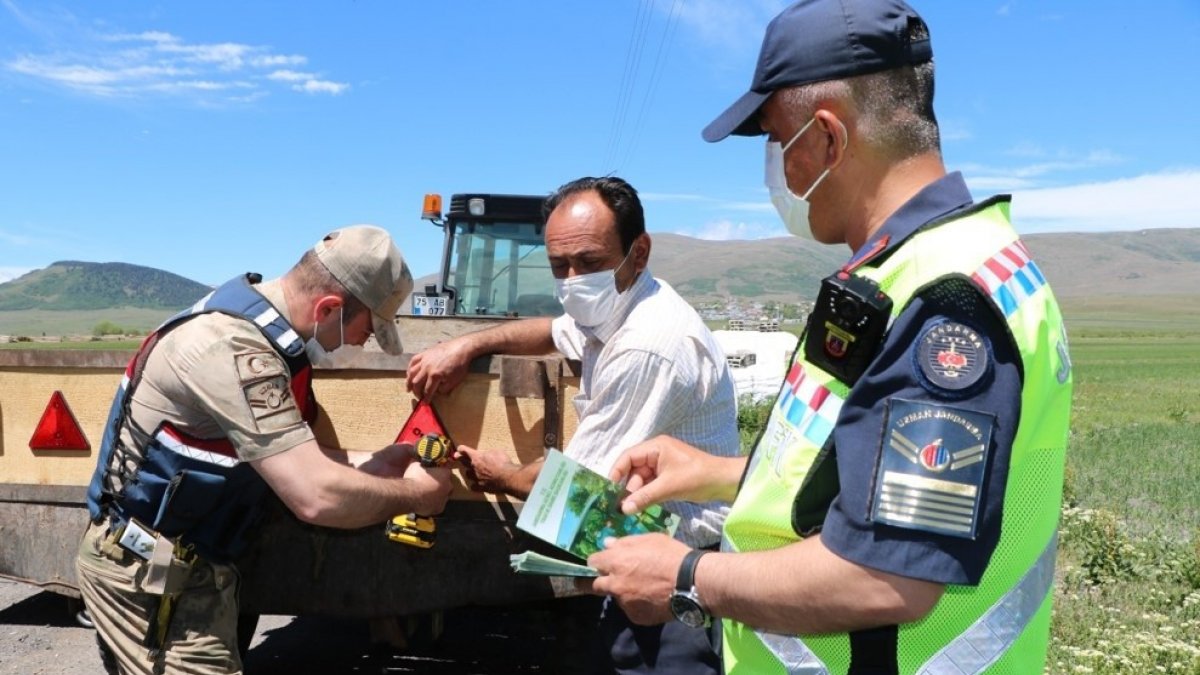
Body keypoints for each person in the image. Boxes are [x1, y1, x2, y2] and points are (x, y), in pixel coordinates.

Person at [587, 1, 1074, 674]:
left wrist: (687, 574)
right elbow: (870, 477)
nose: (774, 170)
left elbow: (886, 574)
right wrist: (720, 473)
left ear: (826, 139)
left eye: (774, 140)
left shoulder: (946, 301)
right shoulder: (922, 270)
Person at [76, 225, 454, 675]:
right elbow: (315, 496)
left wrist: (381, 461)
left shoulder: (268, 340)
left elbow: (297, 460)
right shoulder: (232, 348)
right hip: (147, 576)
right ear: (329, 308)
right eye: (366, 329)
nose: (362, 342)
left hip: (193, 569)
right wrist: (420, 497)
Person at [407, 176, 739, 674]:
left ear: (639, 252)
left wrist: (503, 475)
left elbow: (576, 495)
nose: (572, 280)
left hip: (671, 570)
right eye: (558, 266)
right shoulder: (617, 308)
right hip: (626, 546)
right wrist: (470, 345)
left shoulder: (649, 343)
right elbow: (551, 329)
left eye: (589, 263)